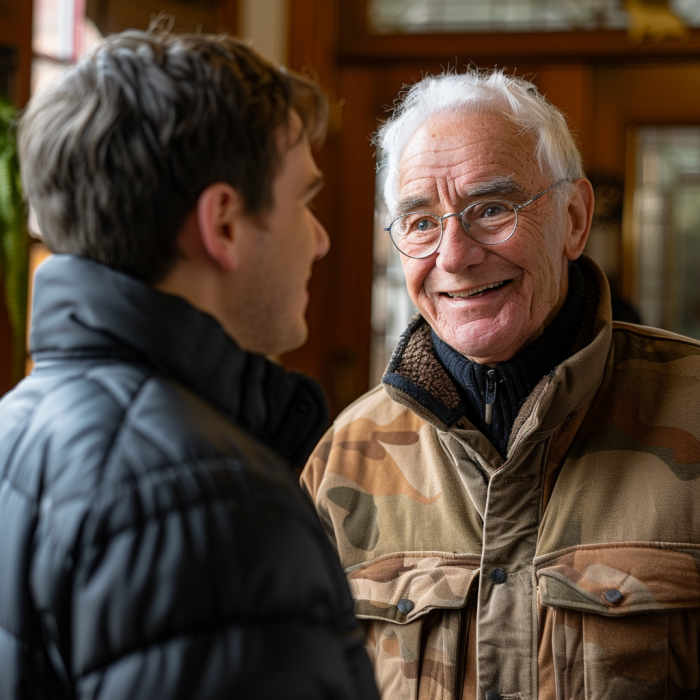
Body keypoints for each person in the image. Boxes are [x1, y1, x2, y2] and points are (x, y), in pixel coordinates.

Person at [0, 29, 379, 700]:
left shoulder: (14, 428)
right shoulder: (207, 501)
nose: (320, 241)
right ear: (225, 223)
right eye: (305, 200)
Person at [301, 70, 700, 700]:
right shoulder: (345, 458)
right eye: (421, 222)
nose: (454, 255)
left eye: (491, 208)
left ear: (574, 218)